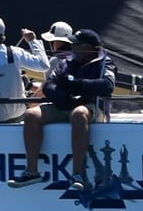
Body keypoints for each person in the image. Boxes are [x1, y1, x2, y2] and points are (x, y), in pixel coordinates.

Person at [11, 28, 115, 191]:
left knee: (79, 114)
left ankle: (78, 174)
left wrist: (76, 85)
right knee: (31, 114)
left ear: (88, 47)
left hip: (90, 106)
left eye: (76, 45)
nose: (72, 48)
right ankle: (32, 172)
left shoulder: (105, 62)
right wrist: (64, 97)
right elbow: (50, 86)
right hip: (64, 104)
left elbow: (107, 86)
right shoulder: (66, 61)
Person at [0, 13, 48, 124]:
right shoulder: (16, 52)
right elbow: (44, 65)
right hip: (19, 115)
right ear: (3, 34)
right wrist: (32, 41)